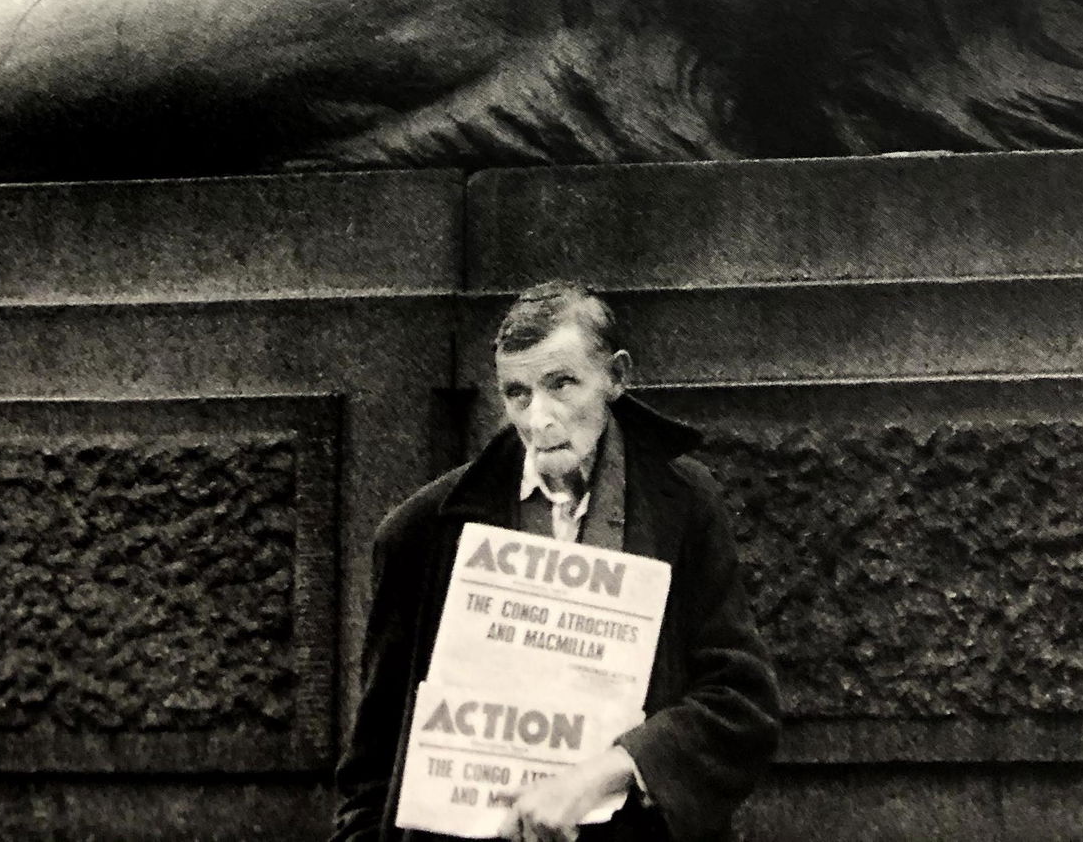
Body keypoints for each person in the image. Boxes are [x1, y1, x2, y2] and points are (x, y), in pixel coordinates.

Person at [334, 281, 779, 842]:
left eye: (562, 384)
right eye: (517, 393)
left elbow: (741, 705)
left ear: (616, 377)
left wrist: (605, 772)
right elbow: (372, 769)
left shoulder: (684, 506)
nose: (538, 418)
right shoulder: (422, 532)